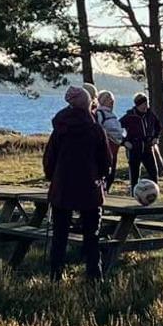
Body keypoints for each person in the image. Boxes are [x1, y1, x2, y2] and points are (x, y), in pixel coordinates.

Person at [45, 85, 114, 281]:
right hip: (89, 188)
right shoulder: (95, 129)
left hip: (62, 187)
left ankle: (55, 276)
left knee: (59, 236)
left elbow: (49, 159)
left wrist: (53, 177)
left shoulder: (59, 128)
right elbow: (106, 162)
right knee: (92, 235)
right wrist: (101, 176)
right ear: (88, 104)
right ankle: (94, 277)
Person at [120, 93, 160, 183]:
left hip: (148, 147)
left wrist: (155, 137)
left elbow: (158, 126)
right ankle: (134, 194)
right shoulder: (130, 116)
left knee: (153, 173)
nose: (146, 106)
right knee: (134, 175)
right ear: (137, 105)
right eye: (143, 104)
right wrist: (124, 142)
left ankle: (154, 193)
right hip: (134, 148)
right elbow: (117, 129)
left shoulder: (150, 115)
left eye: (147, 104)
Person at [94, 89, 125, 190]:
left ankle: (106, 190)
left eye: (112, 100)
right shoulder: (99, 114)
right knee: (106, 172)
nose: (112, 102)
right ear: (102, 101)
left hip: (114, 148)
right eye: (109, 99)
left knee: (111, 173)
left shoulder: (112, 115)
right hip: (107, 148)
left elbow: (118, 130)